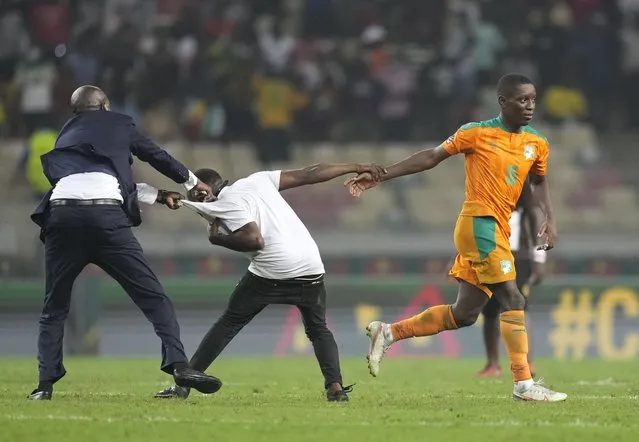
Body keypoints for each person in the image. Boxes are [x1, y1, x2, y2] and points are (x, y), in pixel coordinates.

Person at [345, 74, 567, 402]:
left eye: (533, 99)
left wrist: (550, 218)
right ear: (503, 102)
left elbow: (539, 182)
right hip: (479, 224)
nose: (530, 105)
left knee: (464, 314)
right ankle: (523, 383)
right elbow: (430, 157)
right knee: (514, 298)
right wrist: (382, 174)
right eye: (522, 100)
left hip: (497, 229)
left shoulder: (537, 143)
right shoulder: (475, 133)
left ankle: (388, 332)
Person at [28, 85, 222, 400]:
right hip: (106, 219)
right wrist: (191, 182)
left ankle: (44, 386)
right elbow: (155, 156)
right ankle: (179, 365)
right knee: (154, 298)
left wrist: (160, 196)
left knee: (54, 307)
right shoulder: (119, 123)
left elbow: (100, 180)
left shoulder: (65, 134)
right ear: (105, 106)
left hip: (62, 215)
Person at [153, 162, 385, 401]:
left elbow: (255, 240)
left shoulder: (224, 203)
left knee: (229, 322)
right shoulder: (257, 180)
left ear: (203, 191)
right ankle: (335, 388)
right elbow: (310, 174)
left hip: (274, 269)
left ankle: (184, 386)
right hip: (311, 264)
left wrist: (218, 240)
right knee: (318, 329)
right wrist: (355, 166)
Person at [477, 178, 545, 378]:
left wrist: (539, 256)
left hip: (518, 255)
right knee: (489, 309)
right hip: (489, 252)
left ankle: (527, 362)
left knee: (520, 305)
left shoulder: (519, 180)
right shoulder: (482, 181)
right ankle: (492, 364)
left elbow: (534, 215)